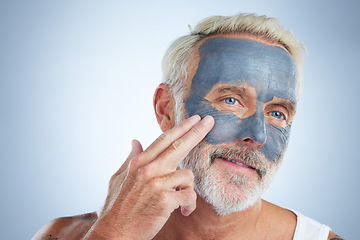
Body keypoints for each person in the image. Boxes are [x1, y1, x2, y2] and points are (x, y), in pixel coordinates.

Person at [33, 13, 344, 240]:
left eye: (277, 114)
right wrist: (114, 234)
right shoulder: (68, 235)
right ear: (166, 108)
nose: (258, 136)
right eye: (231, 101)